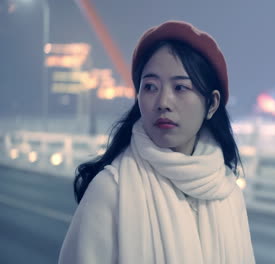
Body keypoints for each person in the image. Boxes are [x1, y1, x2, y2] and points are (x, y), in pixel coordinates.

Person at [59, 21, 255, 264]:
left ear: (212, 104)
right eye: (150, 86)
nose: (163, 101)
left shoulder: (227, 193)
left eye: (180, 87)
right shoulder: (112, 190)